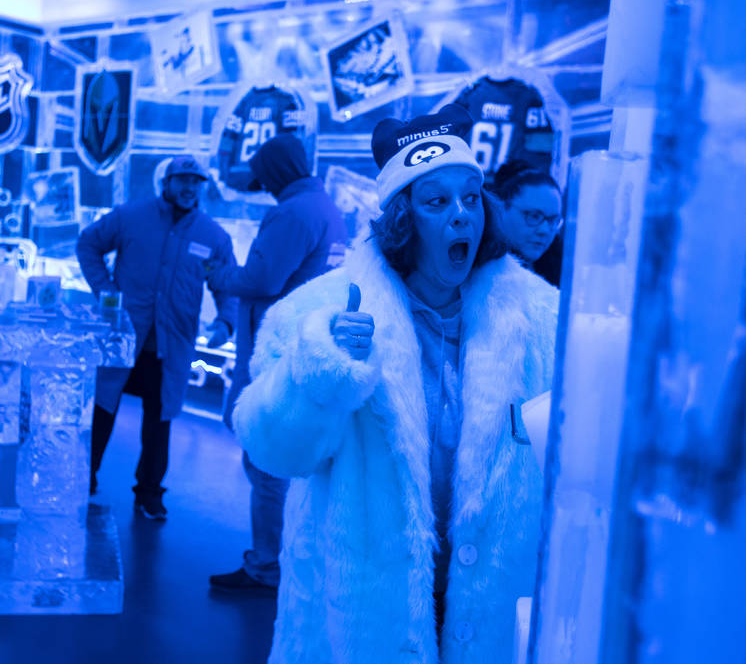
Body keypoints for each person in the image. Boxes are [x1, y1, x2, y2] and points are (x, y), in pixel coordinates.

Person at [232, 105, 558, 663]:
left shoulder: (543, 319)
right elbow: (271, 449)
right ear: (403, 220)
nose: (462, 216)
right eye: (436, 202)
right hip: (356, 616)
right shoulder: (320, 311)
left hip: (493, 611)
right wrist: (323, 371)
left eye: (471, 197)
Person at [206, 134, 348, 594]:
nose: (263, 186)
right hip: (302, 349)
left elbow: (262, 278)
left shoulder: (293, 212)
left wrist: (219, 275)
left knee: (266, 461)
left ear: (276, 171)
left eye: (265, 176)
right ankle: (286, 562)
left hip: (275, 354)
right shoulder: (325, 207)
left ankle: (267, 567)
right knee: (286, 464)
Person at [77, 155, 237, 520]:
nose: (188, 187)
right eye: (182, 179)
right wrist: (105, 292)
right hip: (122, 340)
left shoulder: (212, 238)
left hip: (170, 348)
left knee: (158, 422)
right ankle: (84, 479)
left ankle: (149, 493)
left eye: (196, 181)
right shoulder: (131, 217)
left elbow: (224, 282)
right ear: (166, 182)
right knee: (102, 412)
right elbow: (88, 244)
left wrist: (226, 321)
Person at [492, 159, 564, 286]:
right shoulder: (478, 272)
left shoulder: (559, 271)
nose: (545, 231)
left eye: (553, 220)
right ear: (501, 209)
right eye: (534, 216)